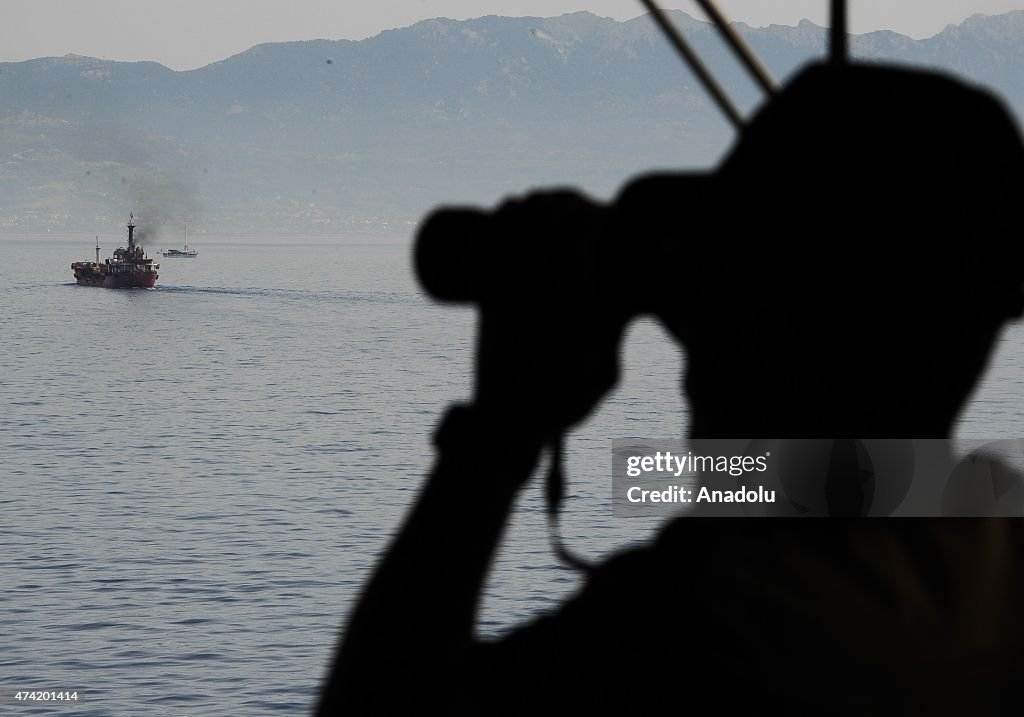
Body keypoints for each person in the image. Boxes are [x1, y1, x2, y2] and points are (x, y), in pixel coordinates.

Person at [316, 59, 1024, 714]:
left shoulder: (707, 624)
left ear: (757, 304)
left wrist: (503, 428)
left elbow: (374, 700)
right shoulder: (991, 537)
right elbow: (834, 474)